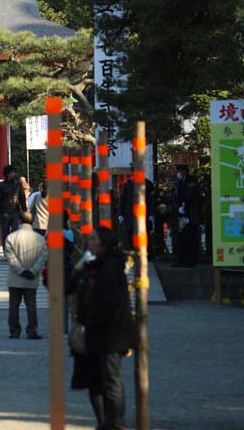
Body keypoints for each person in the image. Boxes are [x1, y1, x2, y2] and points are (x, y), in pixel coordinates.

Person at [68, 227, 135, 430]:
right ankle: (104, 422)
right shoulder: (92, 265)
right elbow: (70, 287)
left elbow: (112, 304)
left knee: (111, 379)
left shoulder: (110, 267)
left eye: (93, 239)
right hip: (94, 332)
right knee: (94, 380)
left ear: (103, 243)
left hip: (109, 333)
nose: (89, 242)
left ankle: (115, 422)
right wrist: (80, 267)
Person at [4, 210, 47, 339]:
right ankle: (32, 330)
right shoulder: (40, 239)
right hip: (31, 278)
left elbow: (10, 257)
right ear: (32, 222)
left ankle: (14, 330)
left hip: (15, 278)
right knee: (31, 305)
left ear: (19, 221)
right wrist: (33, 270)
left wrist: (20, 270)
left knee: (14, 306)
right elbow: (43, 256)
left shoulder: (11, 237)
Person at [118, 165, 155, 253]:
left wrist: (152, 214)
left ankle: (146, 254)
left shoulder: (148, 184)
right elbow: (122, 199)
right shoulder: (128, 184)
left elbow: (152, 200)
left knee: (144, 233)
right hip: (130, 214)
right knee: (130, 234)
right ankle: (132, 254)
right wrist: (120, 214)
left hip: (144, 213)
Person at [174, 165, 202, 267]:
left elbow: (191, 194)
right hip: (181, 214)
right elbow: (175, 196)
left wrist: (184, 205)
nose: (178, 174)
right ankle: (181, 261)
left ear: (184, 171)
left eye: (180, 171)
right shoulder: (178, 182)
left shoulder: (192, 181)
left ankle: (191, 261)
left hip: (191, 214)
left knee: (190, 238)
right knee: (181, 239)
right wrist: (178, 207)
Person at [0, 166, 24, 239]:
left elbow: (22, 198)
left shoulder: (18, 184)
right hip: (4, 213)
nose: (14, 174)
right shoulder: (1, 186)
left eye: (14, 172)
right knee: (5, 234)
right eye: (12, 172)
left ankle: (14, 249)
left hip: (15, 211)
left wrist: (24, 210)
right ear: (7, 174)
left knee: (15, 233)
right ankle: (6, 249)